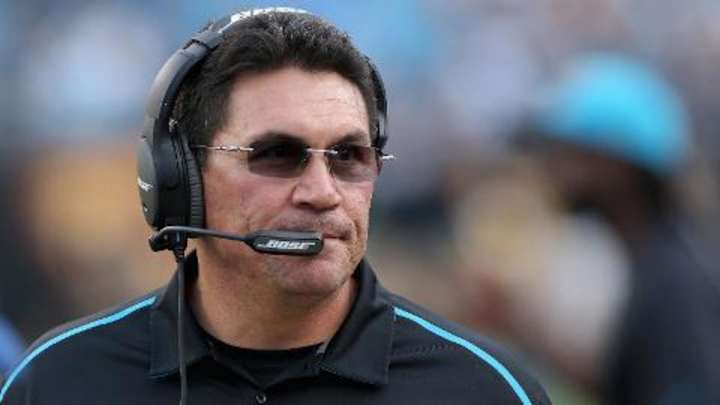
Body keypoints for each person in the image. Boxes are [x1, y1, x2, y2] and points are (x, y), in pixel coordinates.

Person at [0, 8, 550, 405]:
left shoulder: (485, 389)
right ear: (180, 177)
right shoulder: (55, 381)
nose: (323, 192)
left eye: (349, 156)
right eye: (278, 155)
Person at [524, 53, 720, 404]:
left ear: (617, 165)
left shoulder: (675, 285)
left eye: (566, 151)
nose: (549, 166)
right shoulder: (660, 265)